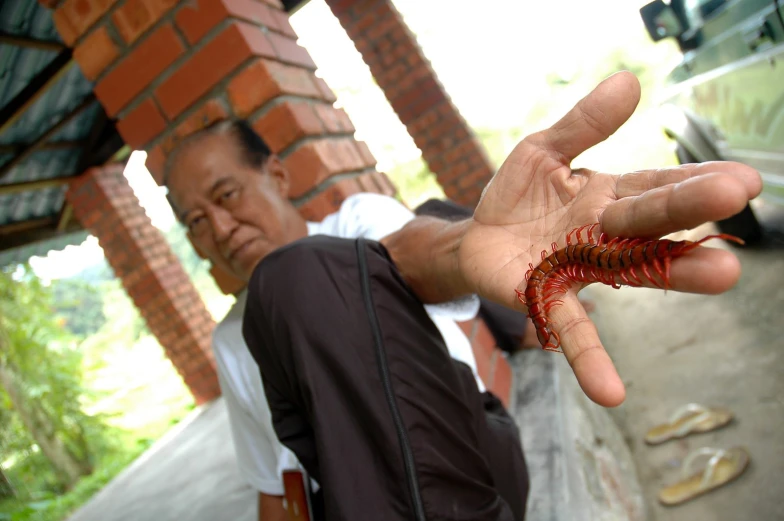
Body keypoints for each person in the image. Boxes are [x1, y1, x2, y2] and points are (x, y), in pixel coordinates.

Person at [164, 71, 761, 520]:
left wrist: (462, 249)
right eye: (193, 221)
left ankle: (519, 321)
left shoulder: (356, 224)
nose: (218, 229)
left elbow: (408, 253)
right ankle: (522, 323)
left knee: (300, 276)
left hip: (469, 461)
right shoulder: (228, 341)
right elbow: (279, 487)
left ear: (275, 174)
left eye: (226, 196)